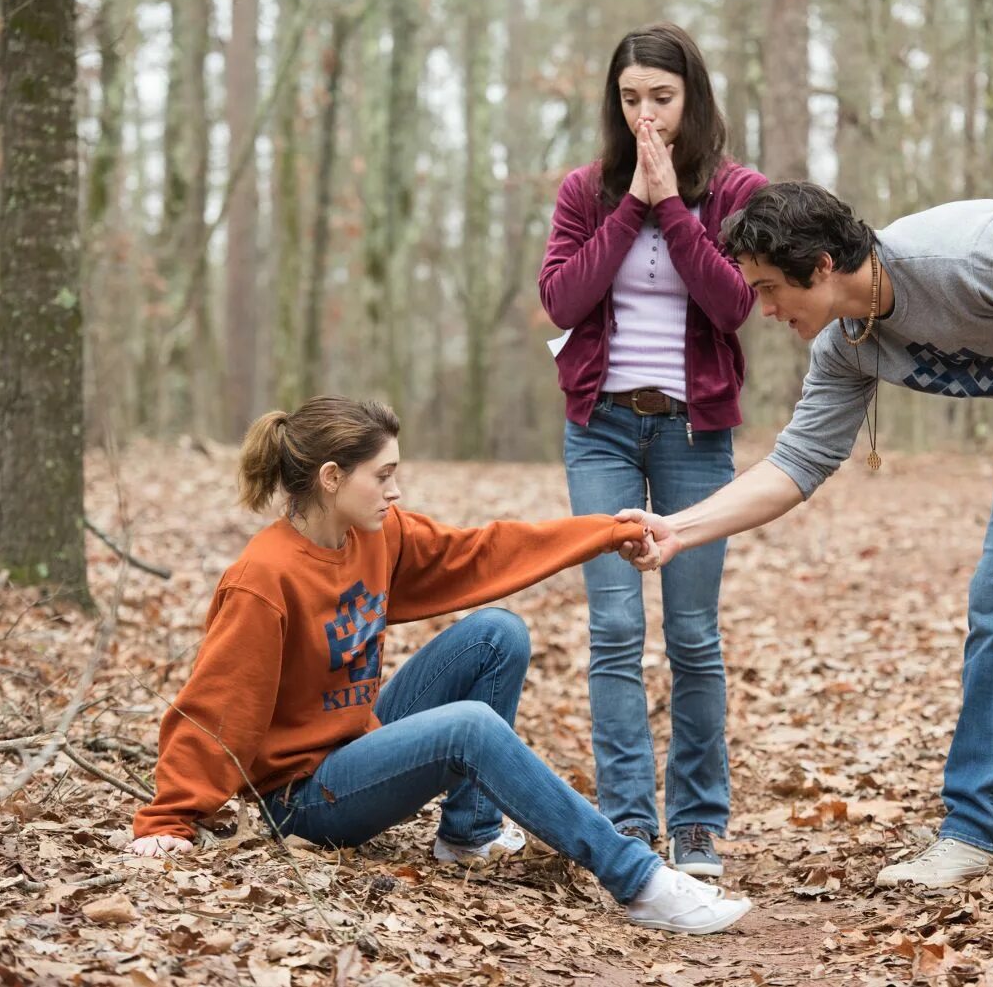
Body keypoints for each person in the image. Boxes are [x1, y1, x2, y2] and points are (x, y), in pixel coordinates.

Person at [619, 181, 993, 890]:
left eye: (767, 288)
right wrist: (678, 529)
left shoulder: (962, 253)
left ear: (820, 266)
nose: (764, 309)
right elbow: (797, 463)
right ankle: (979, 830)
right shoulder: (847, 345)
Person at [125, 396, 751, 936]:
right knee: (469, 727)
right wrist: (167, 820)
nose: (396, 490)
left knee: (496, 634)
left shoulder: (376, 533)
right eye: (384, 474)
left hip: (355, 743)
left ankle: (468, 832)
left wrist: (600, 532)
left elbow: (479, 553)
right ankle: (640, 882)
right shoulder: (264, 578)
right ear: (331, 478)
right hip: (303, 799)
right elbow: (217, 702)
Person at [538, 22, 767, 877]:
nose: (646, 116)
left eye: (661, 99)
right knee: (613, 629)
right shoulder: (585, 190)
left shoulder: (739, 190)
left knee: (694, 635)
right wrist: (631, 200)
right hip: (599, 427)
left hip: (694, 431)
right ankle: (628, 822)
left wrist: (671, 205)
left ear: (691, 99)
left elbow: (735, 303)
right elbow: (562, 300)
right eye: (631, 99)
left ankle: (699, 823)